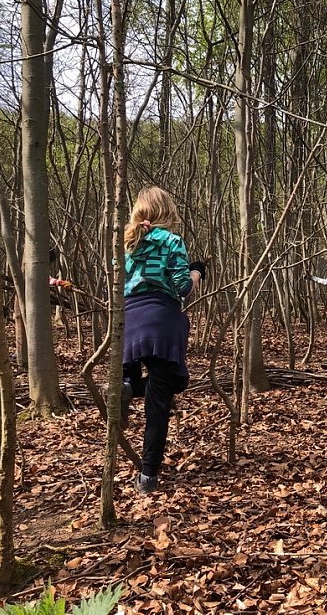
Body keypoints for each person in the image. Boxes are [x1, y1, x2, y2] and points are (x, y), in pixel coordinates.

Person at [122, 186, 204, 495]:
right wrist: (197, 271)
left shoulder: (126, 243)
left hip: (129, 321)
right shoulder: (172, 241)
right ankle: (148, 476)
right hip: (162, 320)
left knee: (133, 380)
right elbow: (182, 287)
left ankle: (128, 384)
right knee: (160, 398)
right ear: (166, 211)